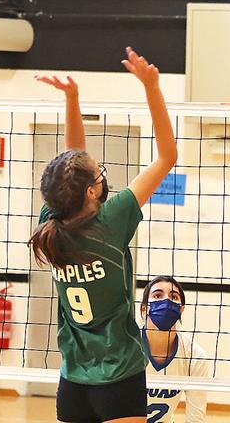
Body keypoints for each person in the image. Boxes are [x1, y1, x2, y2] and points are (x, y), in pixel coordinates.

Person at [30, 47, 177, 423]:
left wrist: (73, 99)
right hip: (118, 377)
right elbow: (166, 157)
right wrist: (152, 87)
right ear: (92, 192)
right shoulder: (111, 221)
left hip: (73, 378)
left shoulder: (53, 220)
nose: (102, 175)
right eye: (100, 173)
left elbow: (72, 158)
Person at [139, 275, 209, 423]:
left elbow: (195, 418)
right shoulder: (128, 346)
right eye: (157, 295)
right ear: (144, 308)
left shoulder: (194, 356)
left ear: (181, 309)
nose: (166, 301)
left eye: (174, 297)